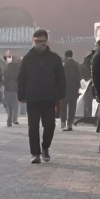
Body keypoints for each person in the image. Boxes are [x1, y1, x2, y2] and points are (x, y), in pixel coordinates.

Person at [17, 28, 65, 164]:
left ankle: (45, 147)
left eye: (43, 42)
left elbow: (61, 78)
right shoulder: (27, 58)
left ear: (47, 41)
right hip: (32, 97)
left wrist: (61, 94)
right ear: (34, 41)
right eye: (37, 42)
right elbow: (21, 78)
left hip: (49, 97)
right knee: (33, 127)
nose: (40, 45)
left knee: (49, 125)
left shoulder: (54, 58)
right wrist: (21, 95)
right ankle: (35, 153)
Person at [61, 49, 81, 131]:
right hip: (73, 90)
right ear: (72, 55)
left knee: (63, 107)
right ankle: (69, 124)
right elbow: (79, 77)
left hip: (64, 89)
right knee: (72, 107)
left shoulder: (63, 65)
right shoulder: (76, 65)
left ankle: (63, 122)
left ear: (65, 56)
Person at [2, 53, 21, 127]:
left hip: (7, 90)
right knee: (15, 106)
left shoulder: (6, 69)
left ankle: (9, 121)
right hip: (15, 90)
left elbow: (3, 79)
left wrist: (2, 84)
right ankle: (15, 119)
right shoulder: (18, 70)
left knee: (9, 106)